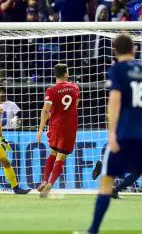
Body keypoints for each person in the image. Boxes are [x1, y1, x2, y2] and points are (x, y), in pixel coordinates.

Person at [77, 35, 142, 234]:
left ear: (115, 50)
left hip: (124, 134)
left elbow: (115, 102)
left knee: (107, 182)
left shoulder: (117, 70)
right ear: (134, 49)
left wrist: (112, 133)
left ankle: (93, 230)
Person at [36, 63, 80, 198]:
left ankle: (44, 180)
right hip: (69, 127)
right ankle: (50, 184)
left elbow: (45, 110)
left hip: (55, 126)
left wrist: (40, 130)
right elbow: (75, 105)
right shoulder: (75, 87)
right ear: (66, 73)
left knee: (53, 153)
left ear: (55, 74)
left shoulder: (51, 90)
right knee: (61, 157)